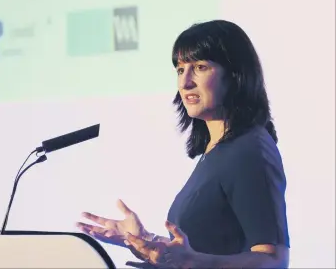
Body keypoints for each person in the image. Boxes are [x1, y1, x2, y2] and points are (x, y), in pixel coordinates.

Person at [76, 20, 290, 268]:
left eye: (200, 67)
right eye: (180, 69)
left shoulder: (249, 150)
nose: (185, 82)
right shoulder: (217, 150)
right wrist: (145, 240)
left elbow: (274, 261)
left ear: (235, 76)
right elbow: (208, 245)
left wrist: (191, 262)